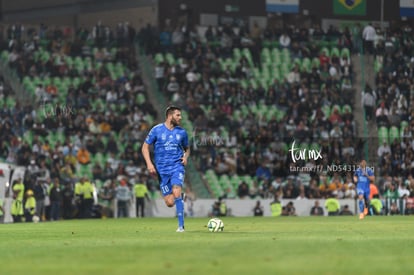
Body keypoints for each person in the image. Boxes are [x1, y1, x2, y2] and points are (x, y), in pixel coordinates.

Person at [142, 106, 190, 232]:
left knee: (176, 190)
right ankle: (180, 196)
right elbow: (145, 147)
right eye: (178, 115)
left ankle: (181, 226)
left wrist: (185, 157)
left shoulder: (182, 132)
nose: (180, 118)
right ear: (170, 116)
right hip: (161, 170)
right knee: (169, 202)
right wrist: (149, 164)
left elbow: (187, 148)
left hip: (177, 166)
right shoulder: (156, 130)